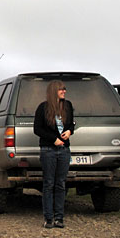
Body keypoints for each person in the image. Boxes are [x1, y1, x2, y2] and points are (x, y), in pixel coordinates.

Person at [33, 80, 74, 229]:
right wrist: (53, 139)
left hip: (64, 150)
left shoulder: (67, 106)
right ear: (53, 91)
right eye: (61, 89)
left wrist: (69, 131)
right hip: (48, 150)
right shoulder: (43, 108)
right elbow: (37, 129)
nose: (64, 91)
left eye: (64, 89)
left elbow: (71, 124)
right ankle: (48, 218)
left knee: (61, 184)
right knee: (49, 183)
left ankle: (59, 218)